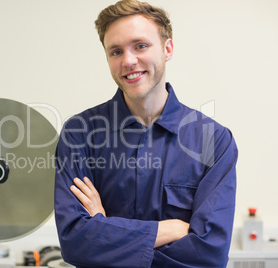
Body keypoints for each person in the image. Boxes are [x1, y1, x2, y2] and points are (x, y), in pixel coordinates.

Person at [54, 0, 238, 267]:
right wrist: (170, 230)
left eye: (140, 46)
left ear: (167, 49)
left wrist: (104, 230)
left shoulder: (214, 140)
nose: (128, 61)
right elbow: (75, 243)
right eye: (116, 51)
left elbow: (209, 254)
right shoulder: (79, 134)